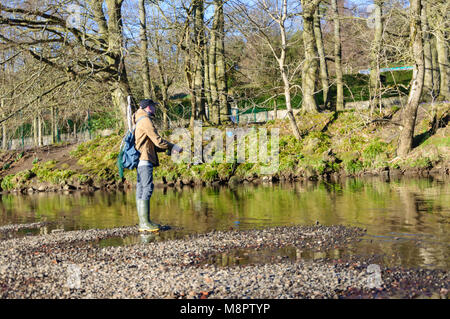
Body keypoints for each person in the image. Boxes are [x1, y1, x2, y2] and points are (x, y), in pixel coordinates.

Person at [133, 99, 183, 232]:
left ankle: (143, 222)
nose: (155, 109)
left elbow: (149, 143)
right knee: (147, 188)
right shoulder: (145, 121)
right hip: (145, 160)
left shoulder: (138, 119)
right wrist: (173, 146)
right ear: (148, 107)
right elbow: (158, 141)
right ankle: (145, 223)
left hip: (141, 159)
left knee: (141, 188)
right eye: (154, 107)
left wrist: (166, 149)